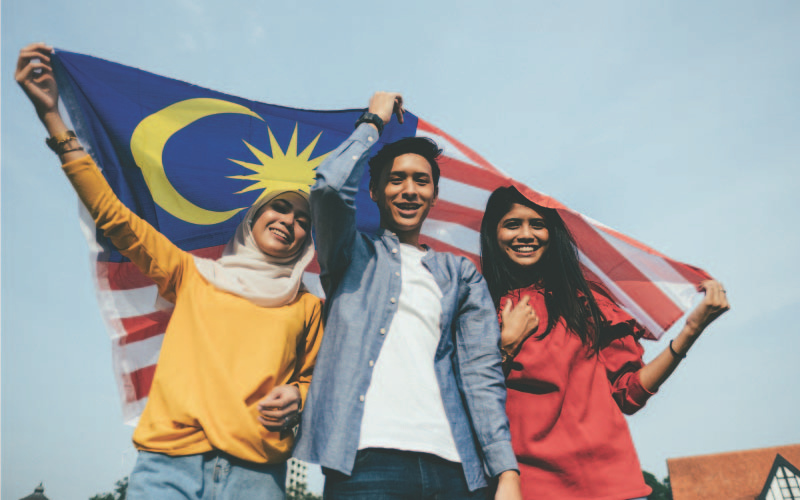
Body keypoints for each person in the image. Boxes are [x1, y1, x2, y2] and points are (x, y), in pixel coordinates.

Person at [16, 43, 324, 499]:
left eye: (303, 220)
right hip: (168, 466)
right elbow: (114, 218)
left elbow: (317, 378)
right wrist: (52, 119)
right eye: (280, 207)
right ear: (253, 216)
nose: (290, 222)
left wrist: (298, 395)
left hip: (256, 477)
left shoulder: (307, 306)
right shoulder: (191, 274)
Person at [294, 92, 522, 499]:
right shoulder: (350, 255)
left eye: (422, 180)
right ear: (375, 193)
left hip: (457, 470)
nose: (410, 190)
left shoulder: (460, 273)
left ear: (434, 195)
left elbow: (480, 375)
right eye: (396, 179)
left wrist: (506, 470)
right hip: (365, 464)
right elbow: (328, 189)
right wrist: (373, 121)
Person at [479, 185, 730, 500]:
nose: (526, 234)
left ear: (552, 233)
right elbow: (473, 400)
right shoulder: (478, 310)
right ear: (494, 233)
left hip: (611, 485)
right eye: (513, 224)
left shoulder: (587, 302)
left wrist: (691, 330)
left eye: (538, 224)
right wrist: (507, 344)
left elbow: (629, 393)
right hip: (528, 488)